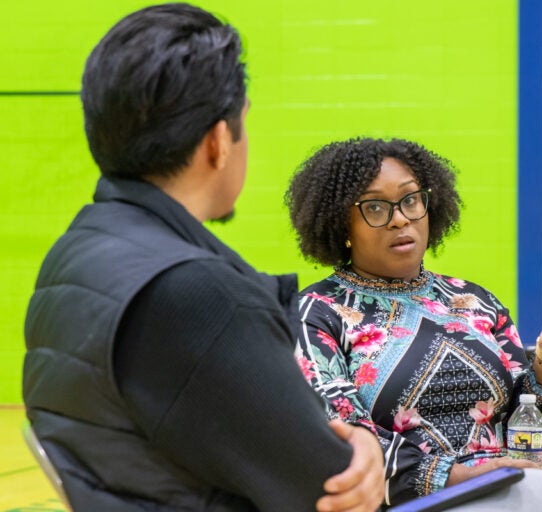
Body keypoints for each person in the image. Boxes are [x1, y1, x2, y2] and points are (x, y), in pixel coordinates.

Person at [22, 5, 384, 511]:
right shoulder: (196, 294)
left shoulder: (74, 253)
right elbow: (332, 491)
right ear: (217, 142)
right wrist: (366, 447)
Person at [285, 137, 542, 511]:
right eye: (376, 207)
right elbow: (338, 437)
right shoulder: (317, 313)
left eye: (410, 200)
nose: (400, 218)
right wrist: (460, 478)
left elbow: (540, 432)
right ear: (341, 224)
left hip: (507, 489)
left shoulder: (475, 301)